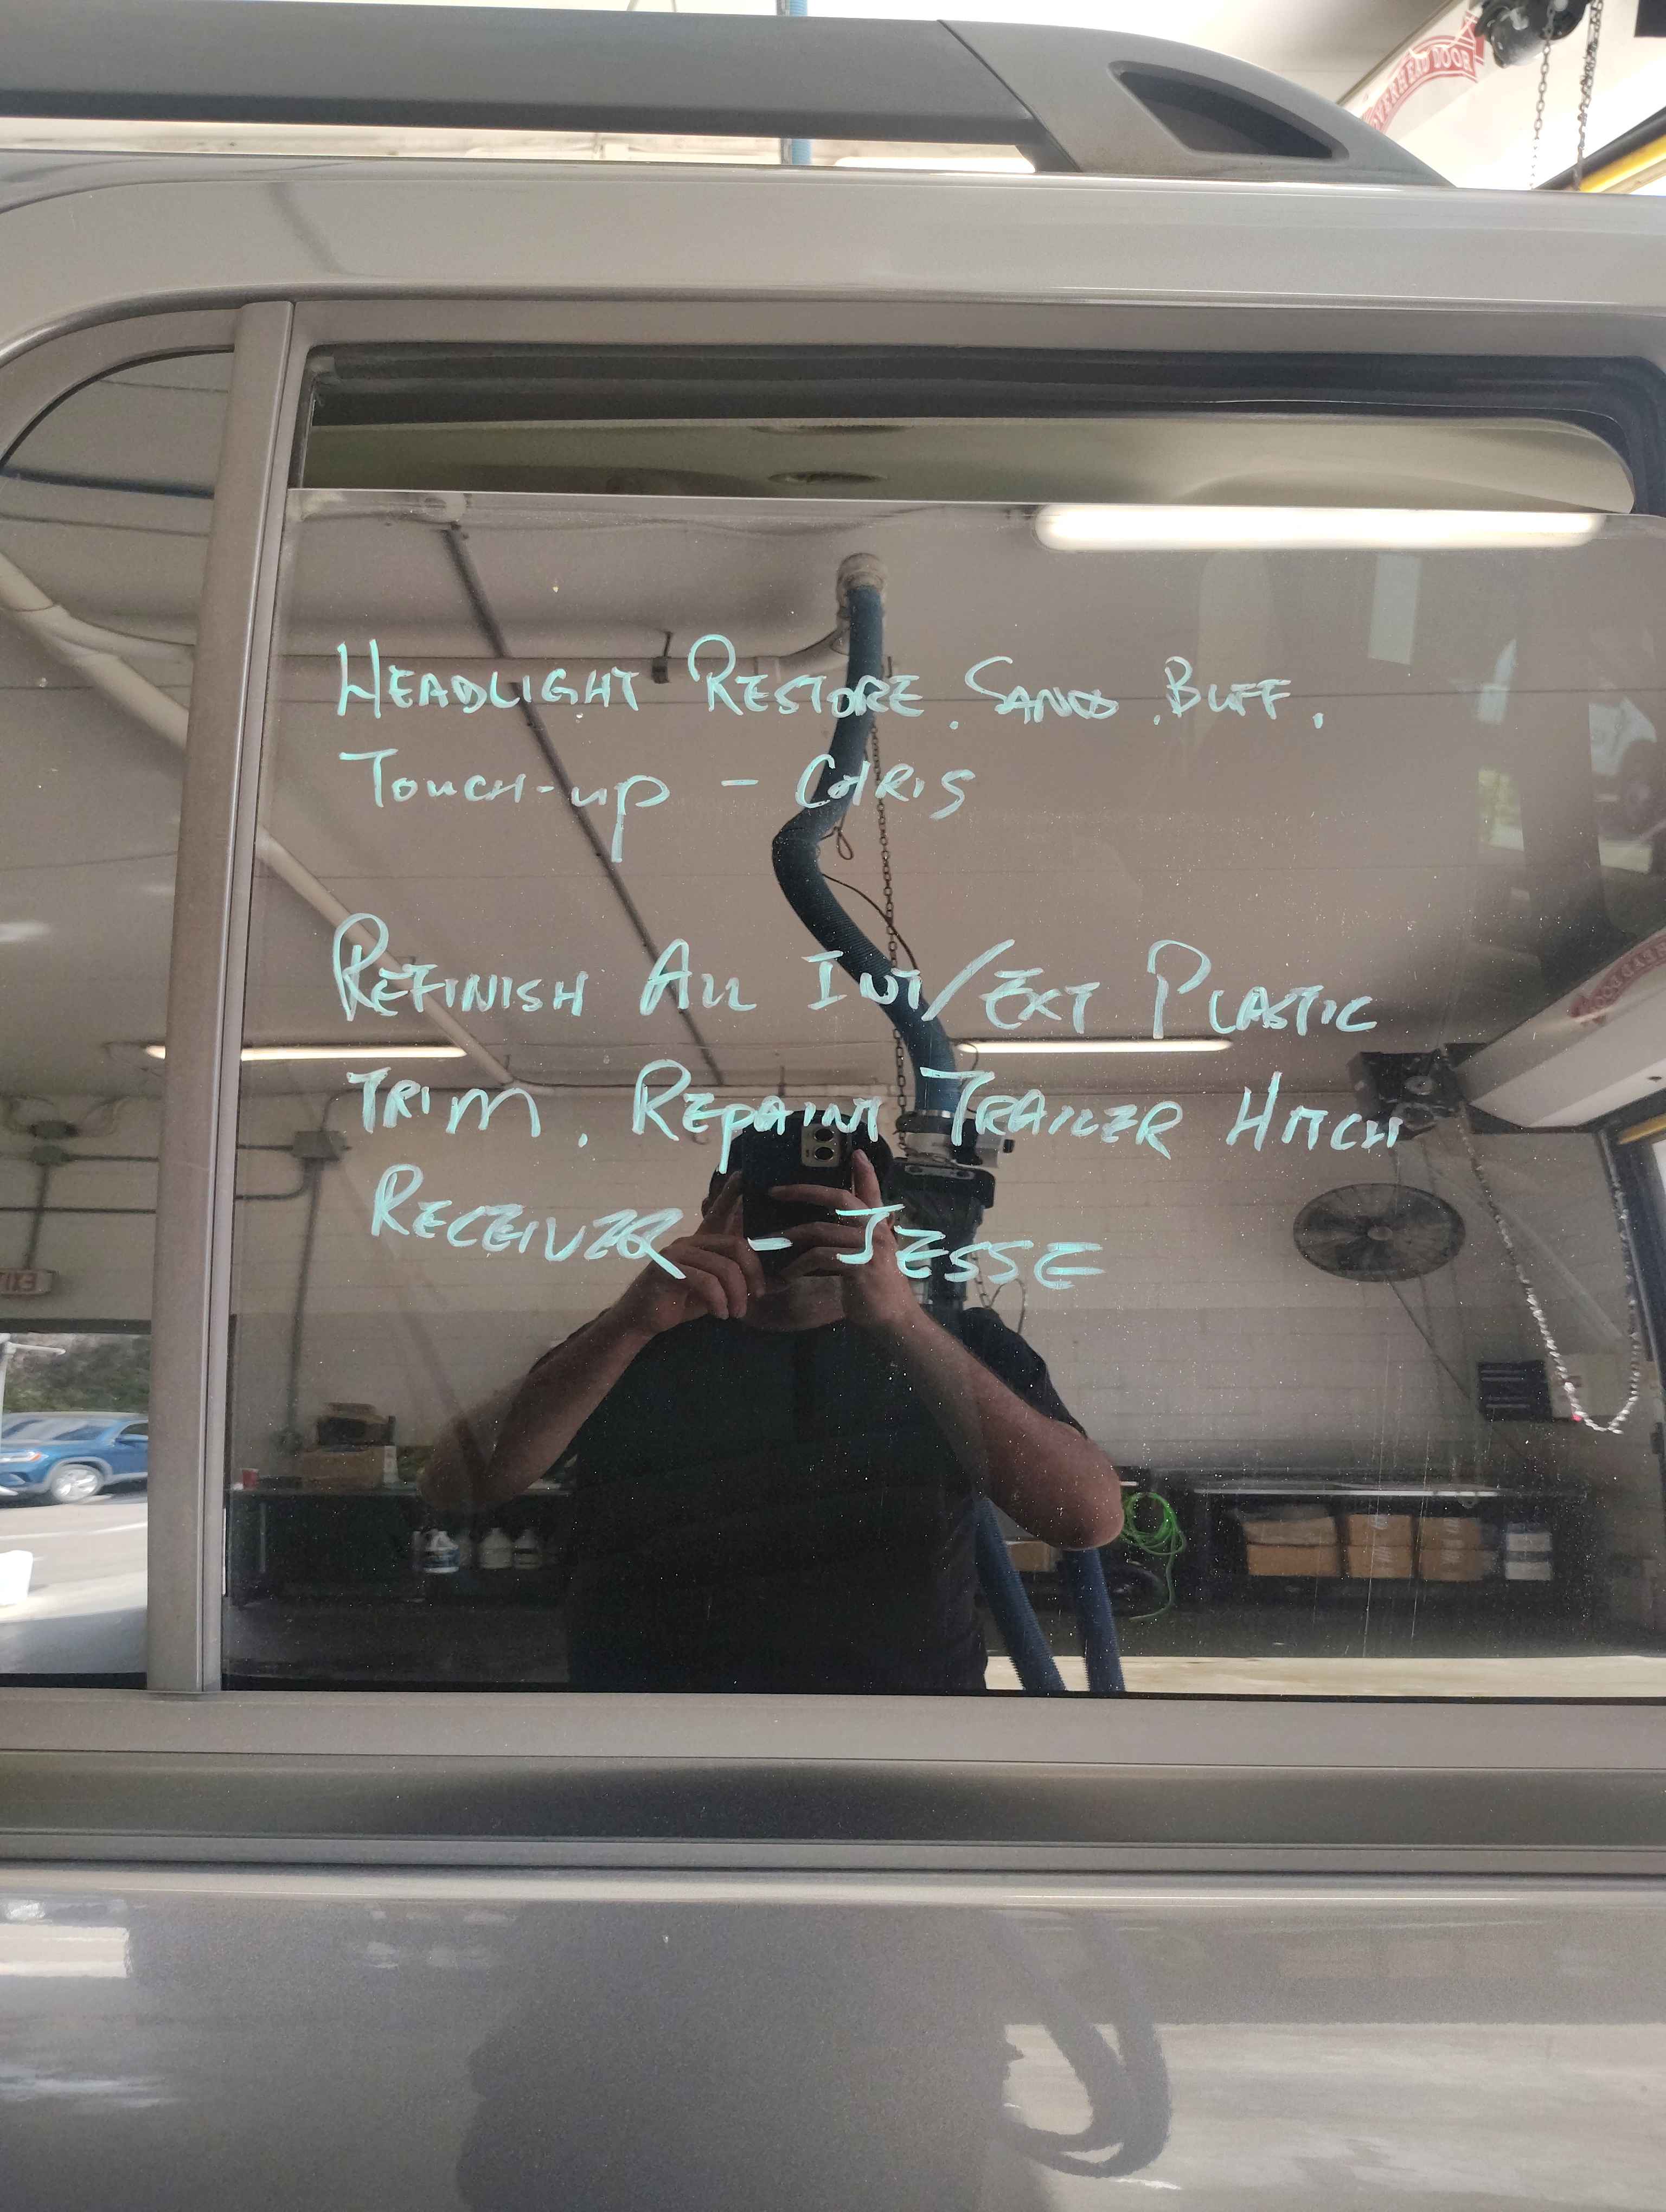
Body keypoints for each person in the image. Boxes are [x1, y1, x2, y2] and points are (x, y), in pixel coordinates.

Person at [422, 1126, 1123, 1692]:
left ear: (884, 1221)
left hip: (899, 1733)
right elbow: (452, 1484)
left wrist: (903, 1324)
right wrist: (627, 1324)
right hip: (652, 1733)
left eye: (832, 1209)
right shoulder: (636, 1340)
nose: (803, 1232)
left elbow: (1088, 1518)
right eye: (779, 1207)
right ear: (714, 1210)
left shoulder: (955, 1344)